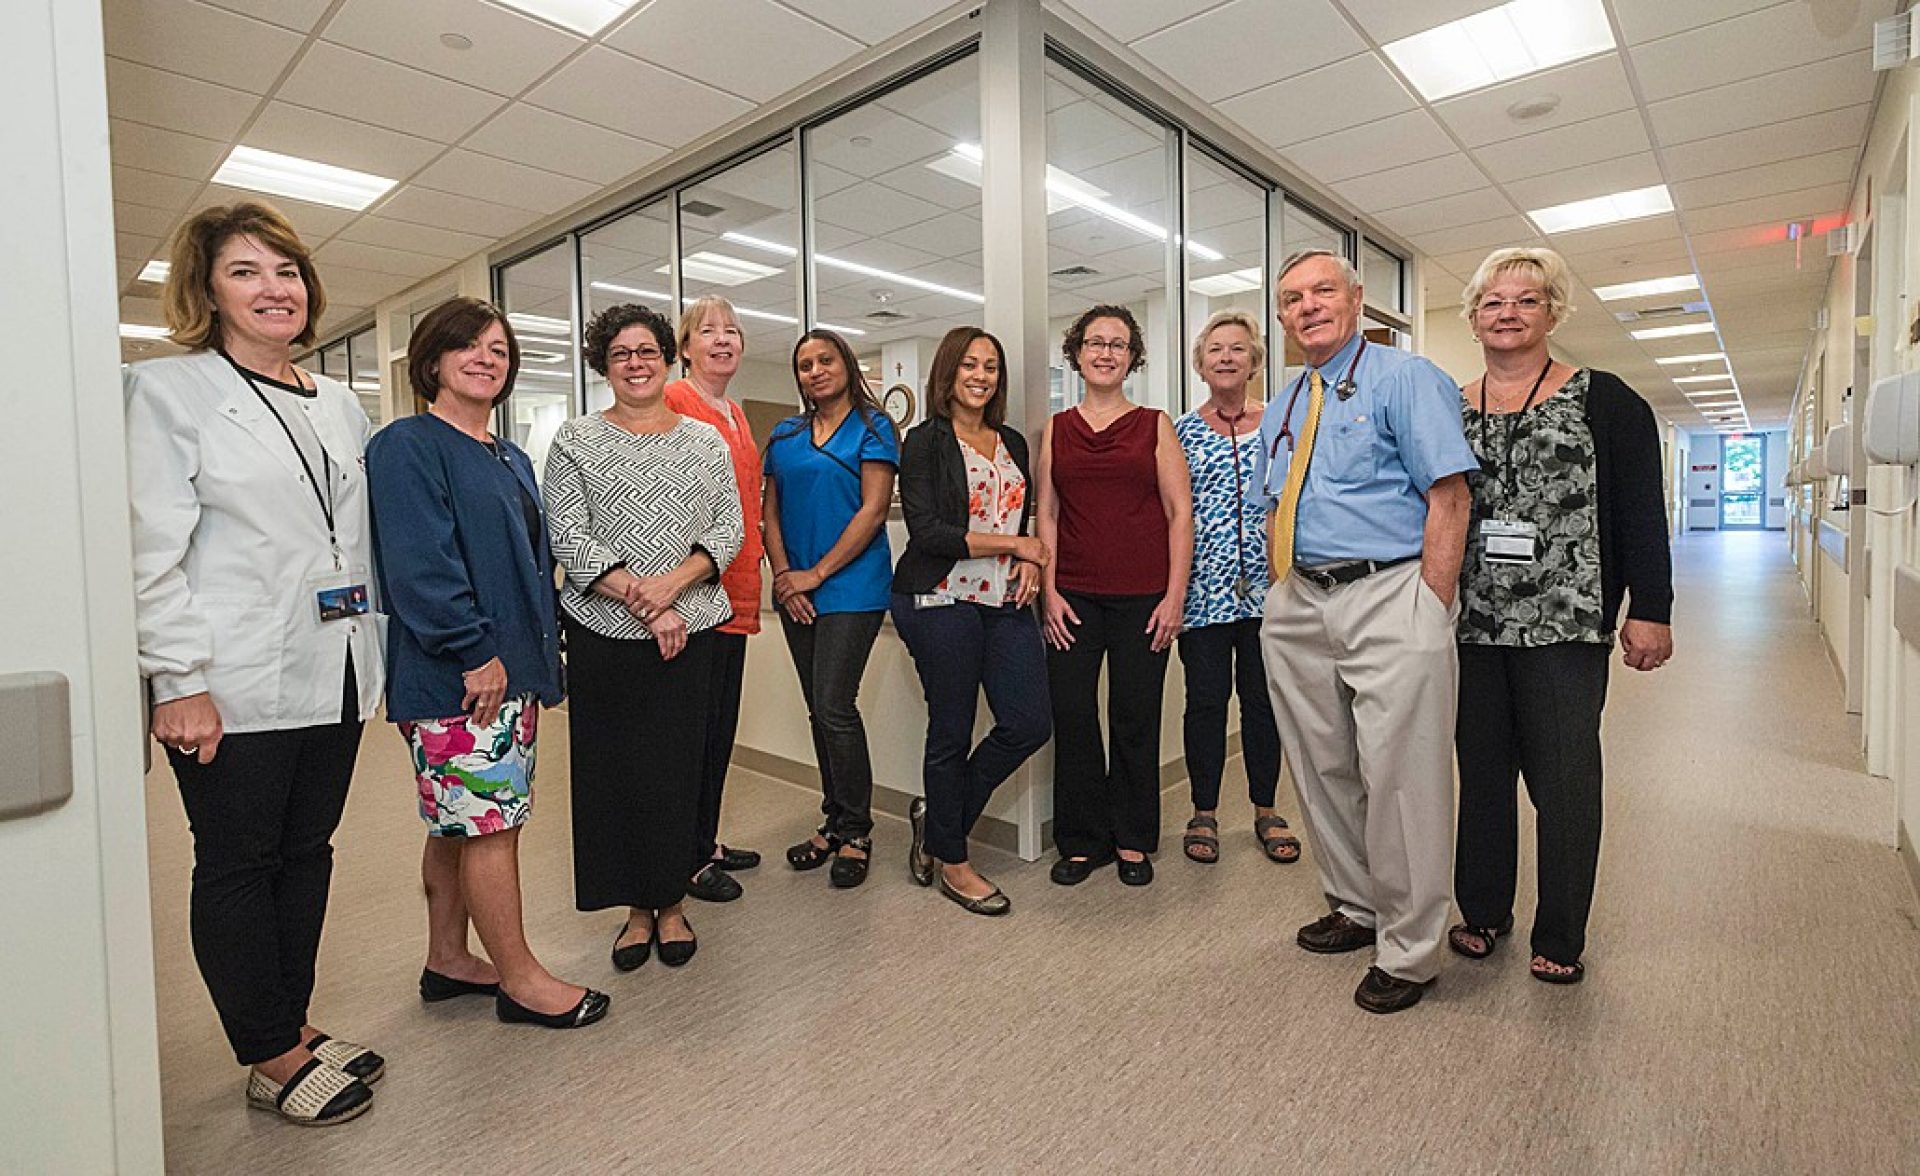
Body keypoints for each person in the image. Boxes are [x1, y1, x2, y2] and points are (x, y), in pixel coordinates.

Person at [126, 202, 386, 1124]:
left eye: (285, 270)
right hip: (230, 677)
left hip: (341, 665)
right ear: (208, 290)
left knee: (307, 853)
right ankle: (269, 1053)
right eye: (245, 271)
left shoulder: (341, 403)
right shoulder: (168, 393)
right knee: (238, 861)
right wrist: (176, 678)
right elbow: (148, 547)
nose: (273, 288)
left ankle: (294, 1022)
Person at [366, 297, 608, 1031]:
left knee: (457, 823)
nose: (485, 357)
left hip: (506, 670)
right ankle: (521, 978)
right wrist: (475, 653)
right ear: (431, 361)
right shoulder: (408, 445)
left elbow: (525, 566)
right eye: (467, 345)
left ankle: (448, 957)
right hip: (461, 676)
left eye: (499, 348)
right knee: (491, 825)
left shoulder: (508, 456)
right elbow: (420, 566)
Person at [1251, 249, 1478, 1014]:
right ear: (1281, 319)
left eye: (1322, 291)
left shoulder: (1405, 378)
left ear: (1356, 299)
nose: (1307, 306)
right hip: (1300, 598)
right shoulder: (1284, 402)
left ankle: (1412, 950)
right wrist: (1280, 592)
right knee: (1321, 767)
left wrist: (1431, 603)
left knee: (1402, 777)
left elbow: (1449, 495)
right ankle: (1355, 906)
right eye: (1291, 299)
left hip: (1389, 591)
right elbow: (1273, 503)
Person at [1448, 247, 1675, 985]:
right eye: (1493, 302)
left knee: (1565, 780)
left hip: (1567, 624)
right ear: (1474, 316)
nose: (1507, 313)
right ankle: (1482, 910)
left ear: (1553, 313)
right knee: (1481, 776)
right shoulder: (1451, 404)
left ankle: (1561, 932)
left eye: (1526, 300)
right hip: (1473, 623)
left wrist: (1653, 608)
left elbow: (1643, 511)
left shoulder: (1605, 398)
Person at [545, 303, 743, 971]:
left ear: (667, 359)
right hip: (605, 631)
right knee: (614, 774)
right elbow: (570, 538)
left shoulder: (705, 439)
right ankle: (635, 908)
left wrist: (671, 588)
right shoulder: (575, 439)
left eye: (647, 351)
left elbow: (727, 531)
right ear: (604, 365)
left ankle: (673, 900)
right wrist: (643, 599)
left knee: (678, 771)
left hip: (693, 628)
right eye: (621, 353)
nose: (635, 362)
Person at [891, 327, 1053, 916]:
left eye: (990, 366)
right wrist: (1020, 546)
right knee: (951, 729)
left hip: (1002, 599)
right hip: (937, 598)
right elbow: (929, 532)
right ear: (947, 373)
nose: (981, 376)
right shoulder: (924, 442)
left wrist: (1024, 556)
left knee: (1029, 721)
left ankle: (940, 817)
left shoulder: (1010, 439)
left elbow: (1021, 513)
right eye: (969, 366)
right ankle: (954, 863)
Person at [1037, 305, 1193, 888]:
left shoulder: (1154, 424)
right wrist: (1048, 592)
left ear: (1132, 358)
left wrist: (1174, 596)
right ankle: (1082, 840)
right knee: (1073, 716)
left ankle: (1132, 836)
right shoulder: (1056, 429)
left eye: (1119, 344)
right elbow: (1046, 513)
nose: (1106, 352)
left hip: (1143, 598)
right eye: (1096, 342)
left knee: (1134, 716)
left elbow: (1181, 514)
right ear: (1076, 353)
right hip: (1073, 596)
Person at [762, 329, 899, 888]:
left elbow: (872, 511)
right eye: (804, 364)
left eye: (825, 359)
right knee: (819, 709)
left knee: (836, 705)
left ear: (846, 364)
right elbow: (768, 512)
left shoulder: (874, 428)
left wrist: (815, 575)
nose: (815, 370)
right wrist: (786, 580)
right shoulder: (786, 433)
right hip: (797, 587)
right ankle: (833, 820)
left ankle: (858, 830)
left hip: (852, 587)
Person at [1173, 310, 1298, 867]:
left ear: (1255, 362)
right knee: (1204, 704)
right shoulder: (1177, 432)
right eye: (1216, 349)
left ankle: (1266, 809)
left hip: (1269, 594)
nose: (1227, 357)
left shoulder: (1280, 424)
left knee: (1263, 705)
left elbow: (1295, 503)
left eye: (1239, 349)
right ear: (1201, 363)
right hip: (1202, 591)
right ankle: (1203, 810)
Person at [664, 296, 765, 905]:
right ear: (686, 347)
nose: (723, 339)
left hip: (735, 594)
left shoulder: (732, 412)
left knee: (717, 731)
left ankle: (707, 839)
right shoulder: (678, 402)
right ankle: (687, 857)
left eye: (732, 330)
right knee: (692, 735)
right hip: (697, 595)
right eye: (708, 331)